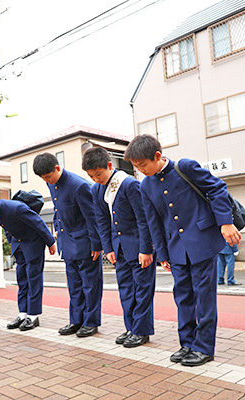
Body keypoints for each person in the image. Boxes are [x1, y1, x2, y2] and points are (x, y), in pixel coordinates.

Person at [124, 134, 241, 367]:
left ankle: (204, 347)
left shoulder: (184, 167)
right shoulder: (145, 185)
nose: (140, 171)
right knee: (183, 297)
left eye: (143, 165)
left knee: (204, 298)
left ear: (157, 156)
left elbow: (217, 189)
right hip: (175, 249)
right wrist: (163, 254)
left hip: (202, 243)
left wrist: (225, 222)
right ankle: (187, 343)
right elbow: (152, 221)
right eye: (135, 168)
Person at [81, 147, 156, 348]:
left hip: (139, 248)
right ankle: (131, 327)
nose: (97, 179)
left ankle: (141, 330)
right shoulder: (96, 189)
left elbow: (144, 219)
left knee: (142, 290)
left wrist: (146, 249)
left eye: (99, 174)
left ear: (109, 166)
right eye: (91, 176)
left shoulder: (129, 184)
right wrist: (108, 248)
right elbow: (102, 221)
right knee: (126, 290)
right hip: (119, 249)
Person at [33, 153, 103, 338]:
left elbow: (92, 217)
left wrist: (96, 244)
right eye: (44, 178)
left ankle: (91, 322)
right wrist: (57, 229)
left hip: (85, 243)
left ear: (57, 168)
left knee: (90, 285)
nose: (47, 180)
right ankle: (76, 320)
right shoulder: (51, 183)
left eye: (48, 176)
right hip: (67, 243)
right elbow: (57, 210)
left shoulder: (79, 185)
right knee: (74, 285)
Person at [0, 192, 56, 331]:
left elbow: (38, 222)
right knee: (21, 280)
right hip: (19, 245)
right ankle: (23, 314)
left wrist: (51, 243)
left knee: (33, 279)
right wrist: (12, 242)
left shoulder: (16, 208)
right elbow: (7, 229)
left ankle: (33, 316)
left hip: (33, 244)